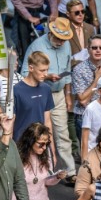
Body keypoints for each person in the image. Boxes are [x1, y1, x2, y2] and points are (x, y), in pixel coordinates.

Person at [20, 18, 75, 174]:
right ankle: (40, 169)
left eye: (64, 39)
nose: (61, 42)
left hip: (58, 95)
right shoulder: (37, 46)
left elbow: (68, 69)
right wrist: (46, 76)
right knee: (38, 134)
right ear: (51, 33)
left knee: (63, 133)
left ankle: (70, 171)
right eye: (59, 38)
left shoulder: (67, 45)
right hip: (39, 95)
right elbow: (24, 73)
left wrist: (68, 94)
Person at [71, 34, 101, 141]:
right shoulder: (78, 70)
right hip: (85, 117)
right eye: (94, 48)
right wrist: (97, 78)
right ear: (88, 50)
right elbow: (83, 101)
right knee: (89, 154)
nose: (98, 50)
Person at [12, 50, 54, 141]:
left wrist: (52, 152)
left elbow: (47, 121)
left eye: (47, 70)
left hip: (40, 142)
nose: (46, 74)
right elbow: (11, 122)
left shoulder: (46, 89)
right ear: (31, 68)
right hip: (21, 143)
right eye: (42, 70)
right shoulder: (16, 90)